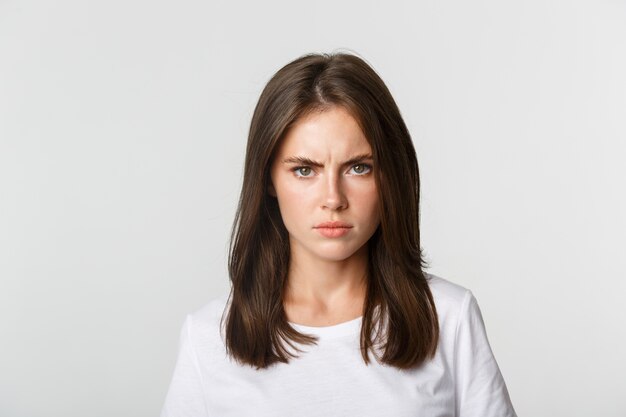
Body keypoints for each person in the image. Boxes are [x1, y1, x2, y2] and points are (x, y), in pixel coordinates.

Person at [160, 51, 517, 417]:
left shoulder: (448, 317)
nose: (333, 199)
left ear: (389, 176)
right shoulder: (207, 337)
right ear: (268, 178)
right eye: (304, 170)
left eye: (358, 168)